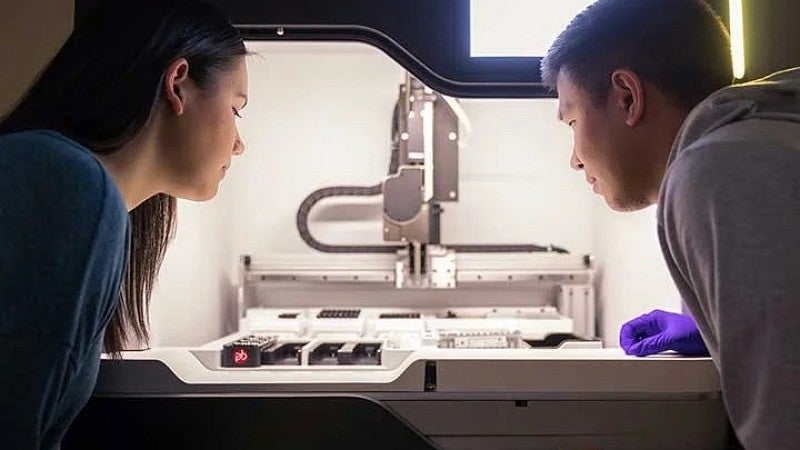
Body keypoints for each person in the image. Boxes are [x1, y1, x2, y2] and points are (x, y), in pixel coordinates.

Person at [541, 0, 799, 448]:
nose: (575, 159)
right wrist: (719, 333)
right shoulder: (765, 131)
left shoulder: (715, 169)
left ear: (627, 96)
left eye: (573, 120)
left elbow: (787, 422)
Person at [0, 0, 248, 448]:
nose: (239, 144)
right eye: (237, 109)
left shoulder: (76, 187)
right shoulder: (70, 185)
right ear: (178, 83)